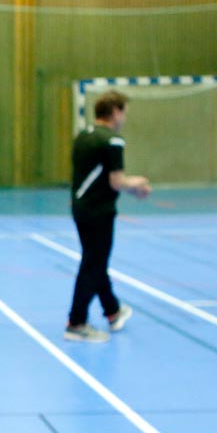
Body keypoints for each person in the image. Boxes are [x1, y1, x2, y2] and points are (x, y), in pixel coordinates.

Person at [64, 92, 151, 342]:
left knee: (95, 261)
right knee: (93, 264)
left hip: (80, 207)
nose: (124, 118)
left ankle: (112, 312)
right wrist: (138, 185)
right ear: (114, 112)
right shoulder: (113, 140)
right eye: (123, 112)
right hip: (99, 210)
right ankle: (76, 322)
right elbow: (116, 181)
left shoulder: (83, 135)